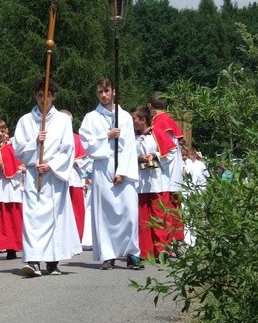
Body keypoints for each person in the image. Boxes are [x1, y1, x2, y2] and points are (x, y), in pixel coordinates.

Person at [12, 78, 82, 277]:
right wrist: (35, 144)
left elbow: (68, 148)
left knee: (55, 219)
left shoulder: (62, 120)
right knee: (33, 218)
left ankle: (52, 262)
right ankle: (33, 261)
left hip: (53, 176)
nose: (44, 99)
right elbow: (17, 149)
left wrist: (50, 165)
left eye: (47, 95)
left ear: (53, 96)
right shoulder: (25, 121)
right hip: (35, 175)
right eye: (40, 95)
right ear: (35, 96)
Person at [79, 78, 142, 270]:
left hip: (123, 167)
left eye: (106, 91)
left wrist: (123, 171)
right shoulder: (91, 117)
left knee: (129, 212)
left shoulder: (124, 117)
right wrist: (106, 136)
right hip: (102, 166)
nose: (103, 95)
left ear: (113, 91)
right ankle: (108, 254)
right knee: (105, 214)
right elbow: (87, 143)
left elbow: (130, 145)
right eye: (100, 92)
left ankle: (132, 253)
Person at [131, 106, 175, 260]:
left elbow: (170, 153)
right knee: (143, 217)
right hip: (141, 182)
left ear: (143, 120)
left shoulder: (157, 133)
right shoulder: (132, 137)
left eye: (134, 119)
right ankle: (145, 251)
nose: (132, 122)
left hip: (157, 181)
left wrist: (154, 155)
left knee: (159, 215)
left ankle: (162, 249)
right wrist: (139, 158)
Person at [148, 92, 186, 250]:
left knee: (165, 210)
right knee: (174, 210)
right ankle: (177, 242)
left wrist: (154, 156)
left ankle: (167, 245)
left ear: (150, 107)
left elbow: (168, 150)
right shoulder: (168, 120)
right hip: (174, 172)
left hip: (166, 174)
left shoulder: (159, 123)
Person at [0, 119, 24, 260]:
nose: (0, 134)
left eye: (2, 131)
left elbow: (19, 165)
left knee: (12, 216)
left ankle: (12, 248)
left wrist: (12, 168)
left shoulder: (11, 148)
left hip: (10, 187)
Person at [60, 110, 92, 241]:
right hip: (59, 177)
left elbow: (87, 159)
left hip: (75, 177)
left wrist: (76, 161)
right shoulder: (54, 138)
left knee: (77, 209)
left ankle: (77, 238)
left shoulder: (78, 139)